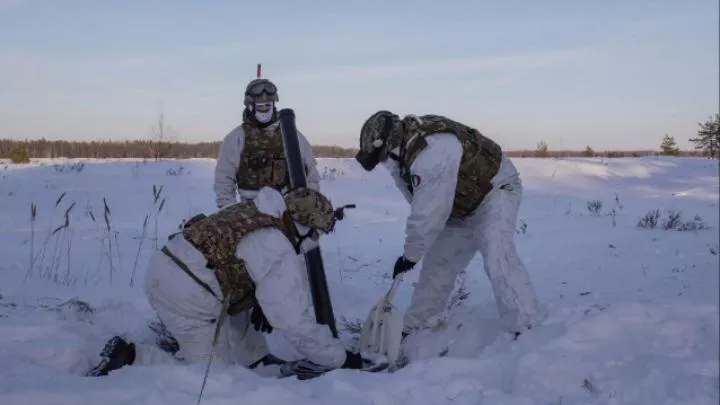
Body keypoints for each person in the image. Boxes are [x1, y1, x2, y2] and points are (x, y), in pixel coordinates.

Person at [88, 186, 374, 380]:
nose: (316, 241)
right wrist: (339, 358)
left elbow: (239, 270)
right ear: (303, 226)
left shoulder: (257, 210)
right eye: (316, 234)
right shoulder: (278, 247)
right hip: (186, 294)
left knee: (242, 305)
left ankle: (255, 358)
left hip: (170, 267)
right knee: (209, 378)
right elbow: (293, 321)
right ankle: (131, 357)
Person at [354, 111, 547, 339]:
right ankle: (418, 326)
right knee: (437, 264)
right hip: (457, 207)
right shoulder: (402, 157)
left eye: (383, 157)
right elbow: (419, 201)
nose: (384, 164)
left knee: (497, 252)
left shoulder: (433, 151)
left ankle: (526, 325)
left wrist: (409, 256)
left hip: (494, 192)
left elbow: (428, 215)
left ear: (390, 144)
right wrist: (419, 247)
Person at [213, 78, 321, 209]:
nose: (264, 109)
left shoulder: (291, 135)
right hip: (251, 208)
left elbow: (311, 171)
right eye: (260, 107)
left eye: (267, 106)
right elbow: (224, 179)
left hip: (286, 206)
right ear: (250, 106)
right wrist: (229, 208)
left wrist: (306, 201)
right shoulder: (236, 138)